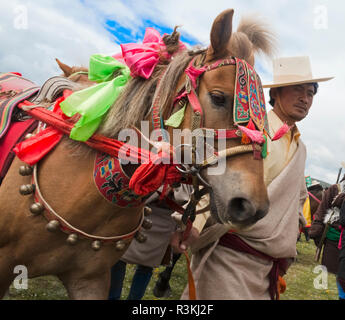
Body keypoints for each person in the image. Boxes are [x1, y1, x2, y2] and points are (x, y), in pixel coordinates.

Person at [171, 56, 333, 300]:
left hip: (268, 267)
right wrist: (194, 222)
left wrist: (288, 238)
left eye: (310, 93)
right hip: (230, 257)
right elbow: (218, 177)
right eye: (298, 89)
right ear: (276, 93)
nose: (305, 98)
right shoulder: (250, 130)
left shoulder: (301, 147)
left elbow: (298, 199)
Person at [108, 185, 191, 300]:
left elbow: (190, 192)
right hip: (143, 210)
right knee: (120, 257)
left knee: (147, 265)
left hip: (167, 218)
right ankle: (112, 297)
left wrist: (175, 189)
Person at [310, 171, 345, 299]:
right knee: (337, 275)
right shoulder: (335, 189)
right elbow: (322, 210)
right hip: (334, 240)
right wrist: (316, 232)